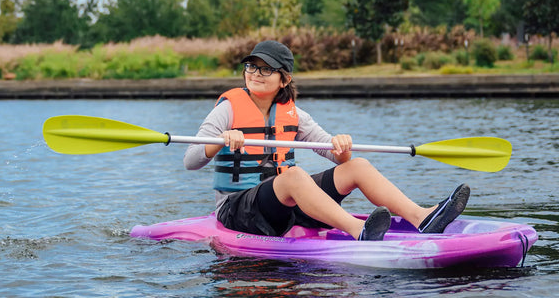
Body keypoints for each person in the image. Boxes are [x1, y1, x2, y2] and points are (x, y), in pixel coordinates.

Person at [184, 40, 470, 241]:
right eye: (251, 67)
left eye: (266, 69)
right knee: (295, 176)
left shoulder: (294, 114)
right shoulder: (227, 109)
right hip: (238, 210)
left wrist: (341, 146)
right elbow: (190, 161)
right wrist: (220, 140)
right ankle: (359, 232)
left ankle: (422, 218)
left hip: (284, 207)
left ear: (284, 79)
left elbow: (336, 156)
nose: (256, 74)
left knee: (358, 166)